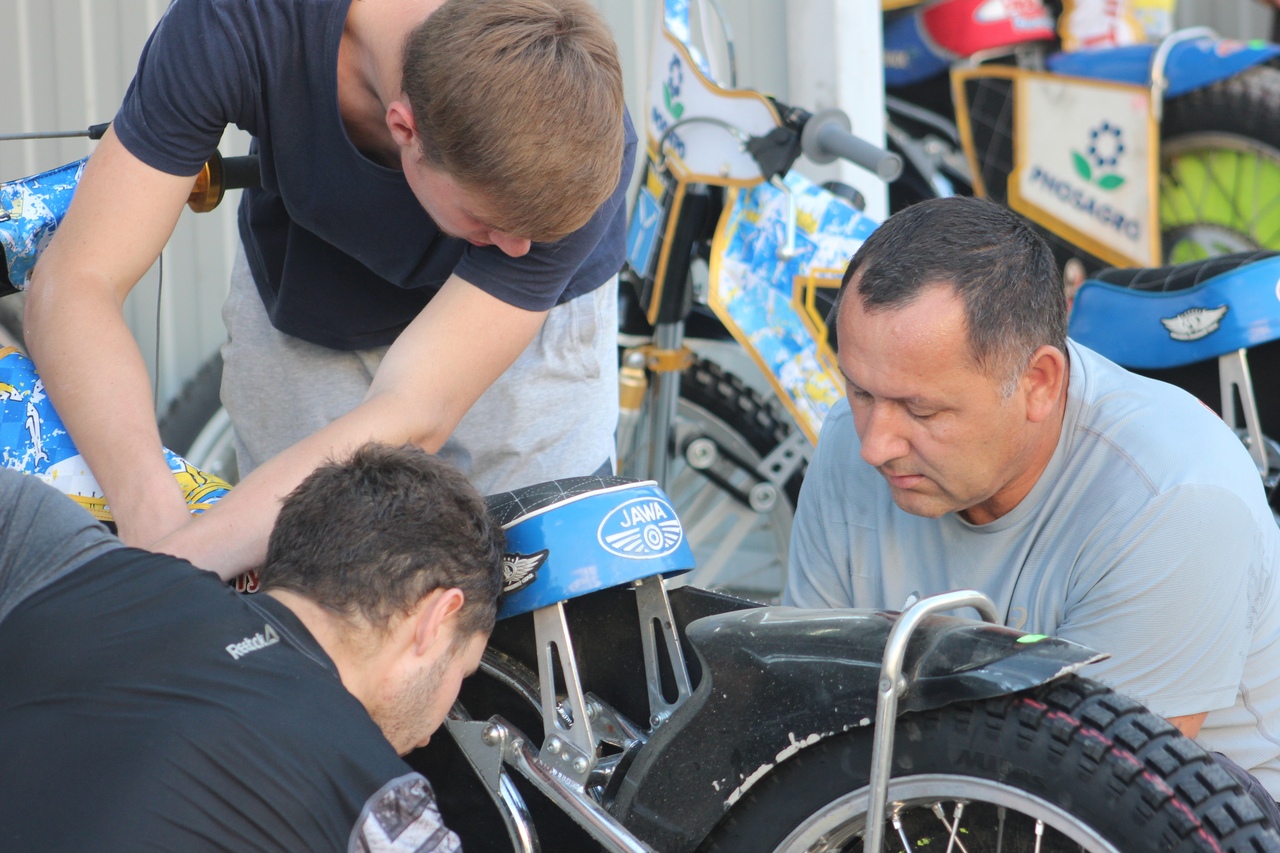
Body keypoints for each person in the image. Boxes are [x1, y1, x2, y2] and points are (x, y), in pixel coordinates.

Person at [23, 0, 634, 579]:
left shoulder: (575, 136)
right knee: (303, 595)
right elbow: (75, 281)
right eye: (493, 223)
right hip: (314, 294)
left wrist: (182, 566)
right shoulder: (240, 24)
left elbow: (417, 410)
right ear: (405, 127)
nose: (519, 245)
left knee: (530, 605)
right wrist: (155, 529)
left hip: (520, 334)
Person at [785, 196, 1280, 807]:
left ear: (1038, 383)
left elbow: (1102, 801)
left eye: (921, 409)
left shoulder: (1173, 499)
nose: (874, 446)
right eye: (859, 390)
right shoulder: (848, 440)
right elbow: (802, 709)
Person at [0, 441, 504, 851]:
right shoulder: (389, 814)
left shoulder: (73, 563)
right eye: (463, 669)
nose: (439, 727)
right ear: (437, 618)